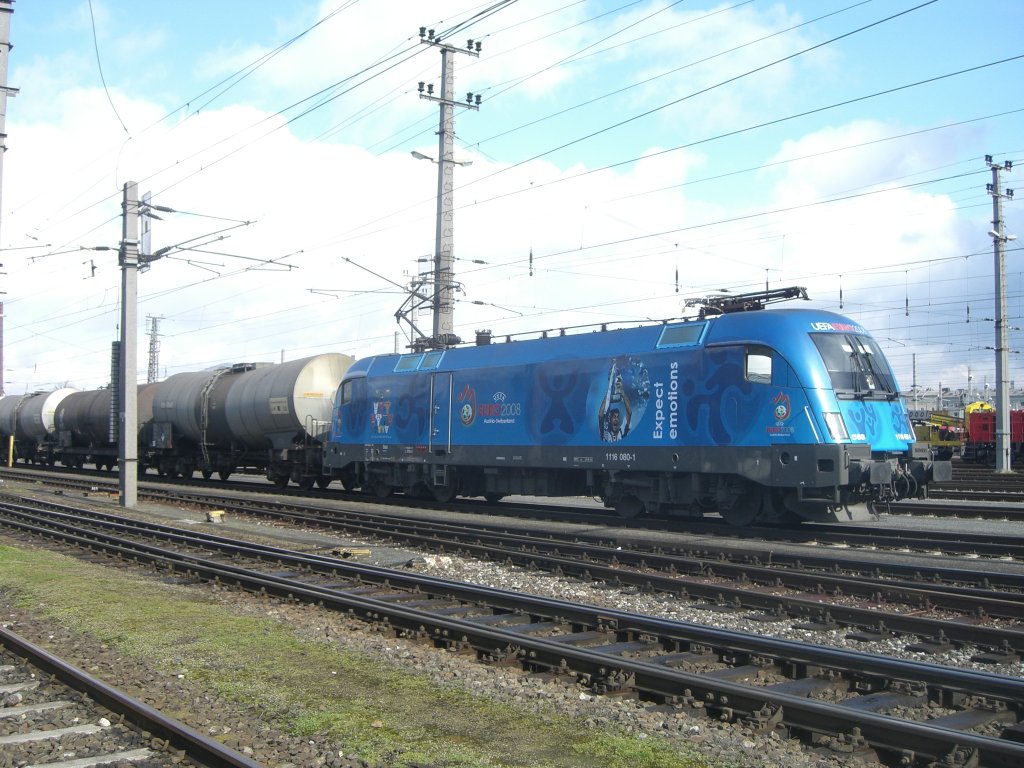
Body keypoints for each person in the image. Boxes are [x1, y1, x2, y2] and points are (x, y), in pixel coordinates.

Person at [598, 363, 632, 441]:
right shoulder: (605, 432)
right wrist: (608, 393)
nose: (616, 419)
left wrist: (622, 392)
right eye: (614, 417)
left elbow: (629, 414)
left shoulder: (622, 432)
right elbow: (600, 415)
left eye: (617, 417)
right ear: (610, 418)